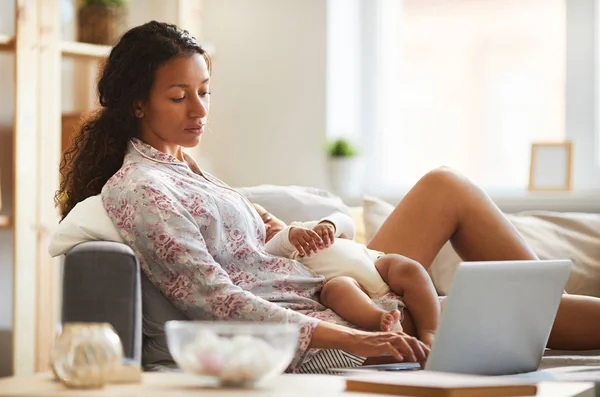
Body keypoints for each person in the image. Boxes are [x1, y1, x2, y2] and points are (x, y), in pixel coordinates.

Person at [55, 21, 600, 373]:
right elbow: (210, 296)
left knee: (449, 193)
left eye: (204, 93)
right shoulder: (141, 189)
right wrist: (350, 337)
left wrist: (300, 232)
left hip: (323, 286)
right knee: (500, 309)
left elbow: (261, 233)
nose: (200, 111)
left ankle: (528, 296)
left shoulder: (182, 165)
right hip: (320, 314)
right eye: (179, 97)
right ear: (136, 105)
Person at [253, 203, 439, 347]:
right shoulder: (269, 255)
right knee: (335, 290)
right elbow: (274, 247)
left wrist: (328, 225)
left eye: (267, 218)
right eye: (257, 226)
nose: (266, 226)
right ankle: (381, 319)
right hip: (349, 286)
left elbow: (345, 222)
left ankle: (430, 331)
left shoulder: (309, 227)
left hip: (377, 265)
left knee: (409, 268)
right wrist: (289, 235)